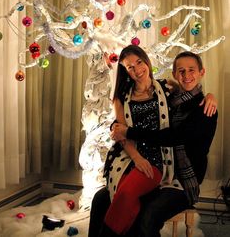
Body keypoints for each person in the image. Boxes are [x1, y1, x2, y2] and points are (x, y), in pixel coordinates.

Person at [88, 48, 217, 237]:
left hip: (179, 176)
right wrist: (119, 130)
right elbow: (125, 125)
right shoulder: (171, 96)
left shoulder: (198, 106)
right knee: (101, 199)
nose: (186, 75)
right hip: (145, 162)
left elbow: (172, 137)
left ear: (201, 72)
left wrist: (210, 96)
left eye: (191, 70)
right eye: (181, 71)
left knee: (144, 211)